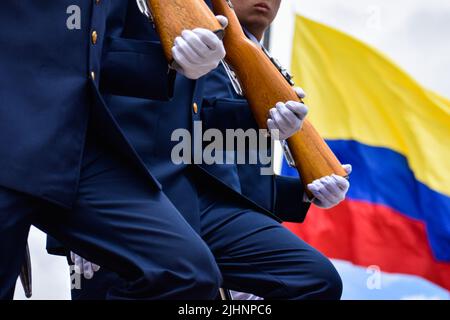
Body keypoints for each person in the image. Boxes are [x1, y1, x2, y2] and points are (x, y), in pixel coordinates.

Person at [49, 0, 351, 300]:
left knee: (315, 279)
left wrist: (270, 131)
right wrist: (79, 214)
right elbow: (75, 71)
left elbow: (201, 130)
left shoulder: (212, 26)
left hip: (188, 195)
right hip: (116, 191)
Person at [0, 0, 227, 300]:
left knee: (185, 271)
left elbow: (92, 50)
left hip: (74, 147)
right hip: (9, 127)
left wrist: (173, 63)